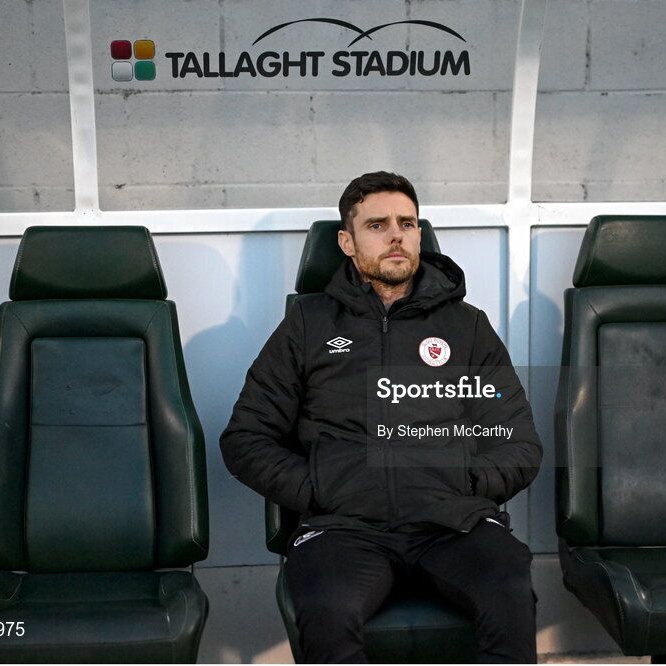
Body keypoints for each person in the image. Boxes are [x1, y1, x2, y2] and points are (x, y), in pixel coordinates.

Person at [220, 171, 542, 663]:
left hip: (450, 523)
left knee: (509, 585)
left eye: (407, 223)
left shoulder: (466, 325)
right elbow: (246, 438)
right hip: (344, 528)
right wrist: (321, 488)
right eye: (378, 224)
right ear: (347, 242)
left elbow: (519, 442)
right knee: (327, 607)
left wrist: (461, 481)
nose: (397, 235)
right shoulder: (308, 323)